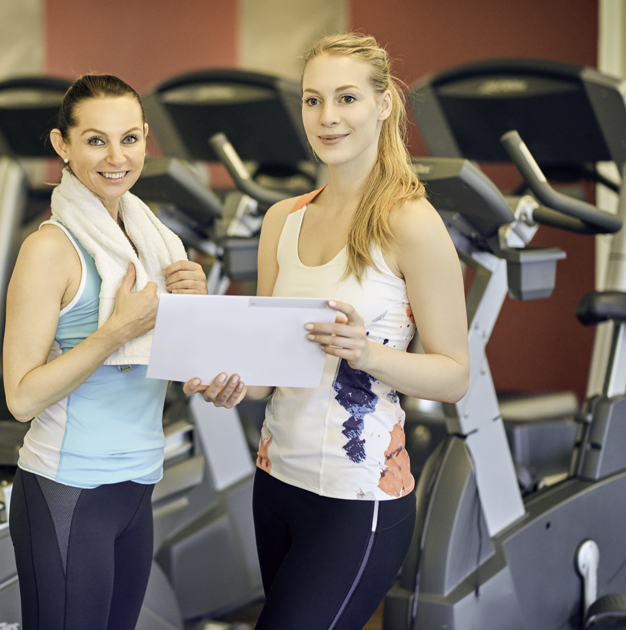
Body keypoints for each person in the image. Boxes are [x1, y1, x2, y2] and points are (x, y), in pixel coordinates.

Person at [184, 33, 470, 629]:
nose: (328, 117)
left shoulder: (410, 223)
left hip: (359, 496)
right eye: (314, 101)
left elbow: (454, 376)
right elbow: (265, 375)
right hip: (276, 484)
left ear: (383, 104)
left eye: (346, 98)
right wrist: (227, 379)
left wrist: (367, 353)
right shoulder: (280, 221)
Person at [2, 73, 208, 630]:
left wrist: (196, 309)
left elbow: (182, 362)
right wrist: (114, 332)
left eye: (129, 139)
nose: (116, 157)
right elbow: (20, 398)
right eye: (95, 140)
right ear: (61, 145)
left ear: (145, 138)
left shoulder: (154, 243)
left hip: (138, 484)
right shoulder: (51, 249)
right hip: (67, 489)